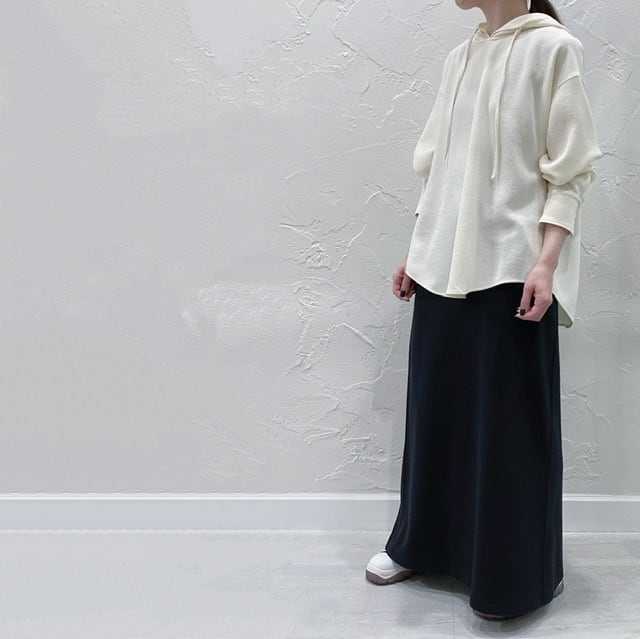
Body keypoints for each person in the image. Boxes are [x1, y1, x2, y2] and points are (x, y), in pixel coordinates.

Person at [365, 0, 602, 621]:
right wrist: (418, 249)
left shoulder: (554, 50)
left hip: (512, 269)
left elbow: (571, 172)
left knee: (510, 428)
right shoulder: (460, 57)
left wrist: (546, 263)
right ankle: (420, 546)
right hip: (442, 265)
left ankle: (516, 574)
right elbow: (439, 171)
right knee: (435, 413)